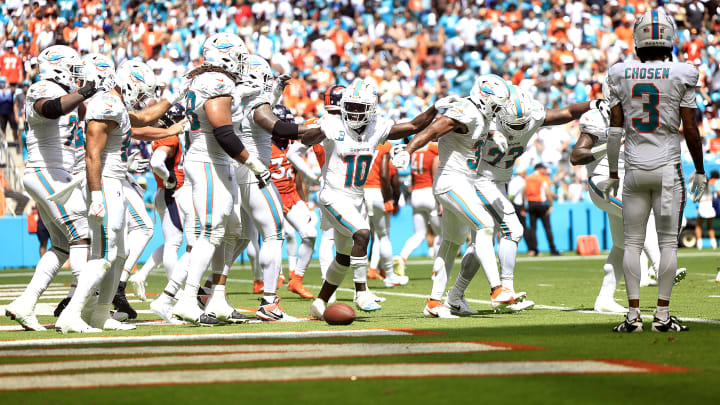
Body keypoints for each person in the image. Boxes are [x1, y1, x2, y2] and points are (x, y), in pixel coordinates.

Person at [447, 85, 607, 313]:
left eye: (522, 124)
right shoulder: (486, 119)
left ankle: (455, 296)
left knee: (479, 244)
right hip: (480, 178)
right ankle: (506, 291)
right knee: (513, 229)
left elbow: (568, 112)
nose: (518, 129)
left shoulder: (532, 114)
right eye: (513, 124)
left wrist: (593, 104)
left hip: (499, 181)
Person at [55, 57, 185, 333]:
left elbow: (144, 118)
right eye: (140, 92)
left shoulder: (114, 104)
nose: (140, 99)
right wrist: (97, 195)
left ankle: (100, 313)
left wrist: (174, 96)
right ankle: (73, 312)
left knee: (119, 252)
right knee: (105, 253)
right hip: (105, 182)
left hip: (114, 181)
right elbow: (92, 155)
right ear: (130, 83)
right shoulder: (106, 104)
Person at [308, 78, 447, 319]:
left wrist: (435, 107)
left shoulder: (377, 127)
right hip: (332, 195)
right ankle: (361, 291)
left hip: (356, 198)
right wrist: (319, 130)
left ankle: (319, 301)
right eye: (349, 106)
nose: (352, 112)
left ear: (371, 108)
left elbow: (414, 125)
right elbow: (304, 140)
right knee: (362, 233)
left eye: (359, 107)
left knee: (343, 256)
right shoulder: (332, 123)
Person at [603, 8, 706, 332]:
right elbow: (690, 129)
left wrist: (613, 172)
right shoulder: (683, 72)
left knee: (632, 243)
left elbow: (615, 130)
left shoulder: (620, 73)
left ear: (637, 39)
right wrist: (700, 170)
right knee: (666, 245)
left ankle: (632, 317)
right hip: (667, 169)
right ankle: (661, 316)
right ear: (670, 39)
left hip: (633, 168)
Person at [168, 34, 274, 325]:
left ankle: (217, 298)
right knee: (212, 233)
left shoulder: (204, 79)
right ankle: (187, 300)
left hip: (215, 161)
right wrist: (253, 163)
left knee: (232, 231)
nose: (242, 64)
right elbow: (223, 132)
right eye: (239, 57)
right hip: (209, 162)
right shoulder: (217, 81)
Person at [392, 74, 517, 318]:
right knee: (485, 225)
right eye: (497, 105)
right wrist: (407, 149)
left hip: (462, 182)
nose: (499, 110)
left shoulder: (478, 114)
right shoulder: (466, 110)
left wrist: (494, 134)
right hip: (452, 181)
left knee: (450, 244)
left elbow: (473, 128)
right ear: (484, 98)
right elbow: (433, 129)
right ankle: (497, 289)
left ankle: (433, 302)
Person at [5, 45, 102, 332]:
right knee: (82, 235)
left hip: (57, 174)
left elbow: (89, 116)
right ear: (57, 67)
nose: (77, 76)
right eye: (73, 69)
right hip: (45, 172)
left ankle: (25, 304)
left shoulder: (70, 97)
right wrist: (84, 92)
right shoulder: (41, 87)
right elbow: (49, 109)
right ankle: (75, 311)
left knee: (61, 245)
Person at [571, 97, 687, 314]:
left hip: (629, 183)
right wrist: (608, 146)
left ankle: (604, 299)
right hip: (603, 182)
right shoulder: (596, 118)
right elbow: (576, 156)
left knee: (621, 245)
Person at [268, 104, 317, 299]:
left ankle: (296, 279)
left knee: (310, 234)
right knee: (273, 240)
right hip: (270, 197)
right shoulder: (262, 144)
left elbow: (297, 176)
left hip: (291, 196)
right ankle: (270, 285)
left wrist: (303, 200)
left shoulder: (291, 146)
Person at [395, 142, 441, 274]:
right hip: (430, 192)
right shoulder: (434, 148)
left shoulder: (415, 150)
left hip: (416, 193)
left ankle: (402, 257)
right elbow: (436, 171)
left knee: (419, 234)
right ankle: (437, 270)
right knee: (441, 234)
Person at [525, 163, 559, 256]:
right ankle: (553, 249)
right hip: (541, 204)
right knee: (547, 228)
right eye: (544, 168)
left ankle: (534, 249)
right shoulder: (542, 178)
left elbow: (524, 191)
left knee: (533, 228)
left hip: (531, 203)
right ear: (540, 169)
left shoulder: (528, 178)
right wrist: (551, 205)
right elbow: (547, 192)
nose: (545, 170)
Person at [692, 170, 716, 250]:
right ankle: (714, 245)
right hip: (710, 208)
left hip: (702, 207)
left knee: (698, 226)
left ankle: (699, 245)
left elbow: (695, 199)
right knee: (710, 227)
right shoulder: (711, 187)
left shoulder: (698, 188)